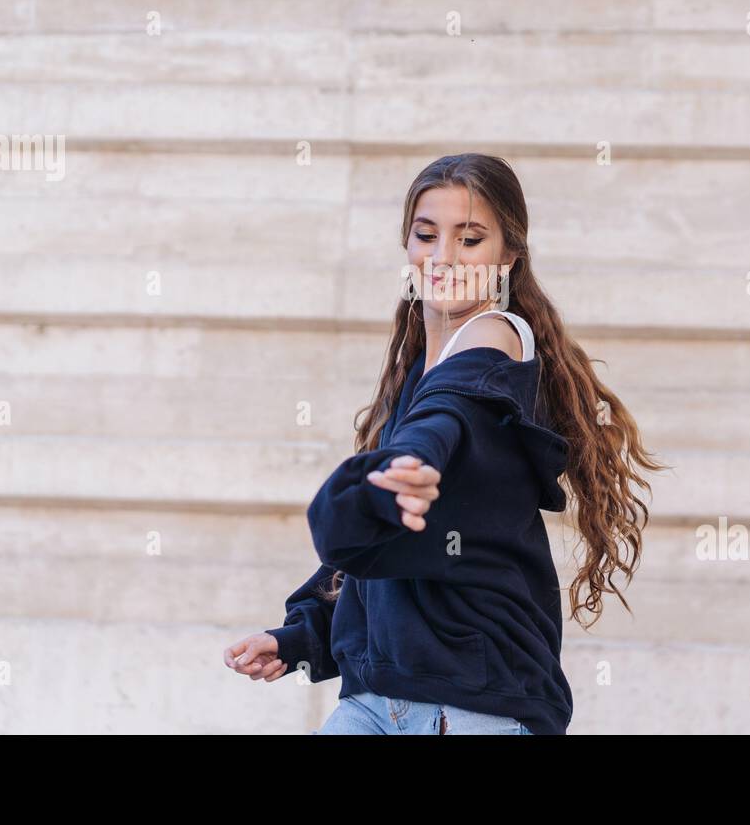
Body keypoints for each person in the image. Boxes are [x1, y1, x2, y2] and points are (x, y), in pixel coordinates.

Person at [224, 153, 664, 734]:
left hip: (472, 707)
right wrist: (300, 637)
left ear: (508, 255)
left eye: (471, 238)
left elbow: (442, 420)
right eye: (426, 235)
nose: (443, 258)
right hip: (376, 698)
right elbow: (376, 558)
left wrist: (409, 462)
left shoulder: (493, 341)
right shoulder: (416, 375)